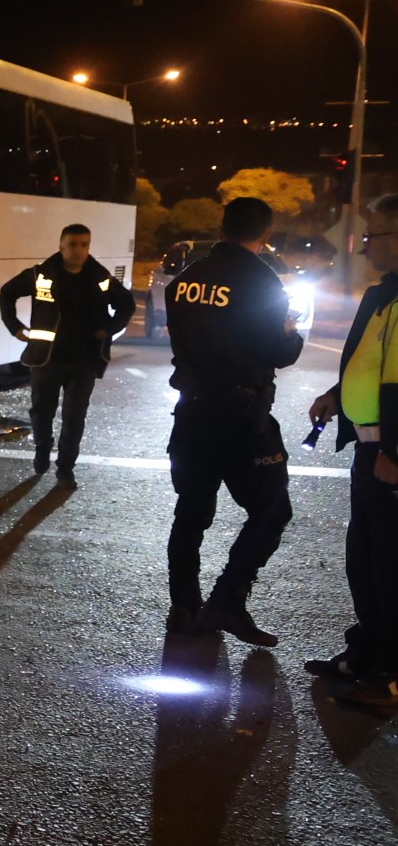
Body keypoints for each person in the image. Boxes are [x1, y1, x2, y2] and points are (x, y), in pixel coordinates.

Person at [163, 196, 304, 643]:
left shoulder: (186, 279)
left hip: (191, 413)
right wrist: (289, 333)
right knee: (271, 510)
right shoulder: (262, 284)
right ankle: (227, 601)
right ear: (265, 235)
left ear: (223, 227)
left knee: (192, 511)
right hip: (239, 416)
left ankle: (185, 605)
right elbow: (279, 352)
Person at [306, 194, 398, 696]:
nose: (365, 247)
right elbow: (368, 364)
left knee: (388, 561)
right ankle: (367, 648)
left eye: (375, 236)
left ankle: (387, 661)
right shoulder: (380, 295)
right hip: (369, 449)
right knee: (363, 557)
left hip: (389, 454)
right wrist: (335, 396)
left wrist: (395, 453)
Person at [0, 222, 136, 483]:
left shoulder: (100, 278)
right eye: (73, 244)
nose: (78, 250)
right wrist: (14, 327)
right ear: (61, 246)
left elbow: (126, 304)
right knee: (41, 412)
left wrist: (109, 329)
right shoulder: (42, 275)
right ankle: (42, 449)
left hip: (84, 361)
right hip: (46, 358)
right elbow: (7, 292)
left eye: (84, 245)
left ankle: (65, 469)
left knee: (75, 417)